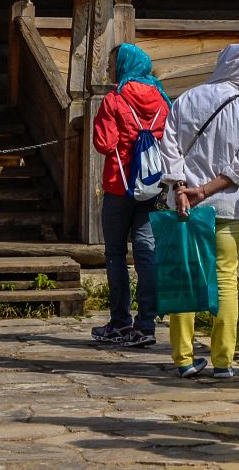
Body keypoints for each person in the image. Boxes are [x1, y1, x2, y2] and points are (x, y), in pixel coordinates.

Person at [161, 41, 239, 380]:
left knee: (185, 273)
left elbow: (170, 146)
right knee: (225, 278)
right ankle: (223, 361)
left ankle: (184, 358)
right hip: (228, 207)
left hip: (184, 204)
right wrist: (206, 190)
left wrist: (181, 189)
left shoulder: (187, 99)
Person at [91, 41, 170, 349]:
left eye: (111, 65)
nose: (108, 70)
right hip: (152, 186)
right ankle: (146, 324)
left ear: (123, 66)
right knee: (146, 254)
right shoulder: (162, 99)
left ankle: (120, 321)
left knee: (114, 254)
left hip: (119, 185)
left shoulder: (113, 100)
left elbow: (104, 144)